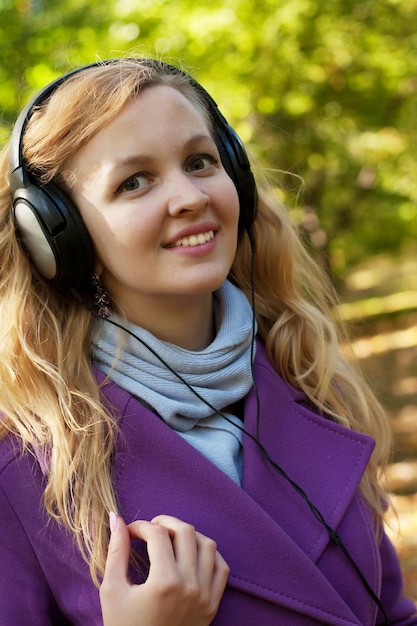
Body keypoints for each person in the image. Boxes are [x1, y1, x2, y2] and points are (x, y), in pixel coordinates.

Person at [0, 57, 415, 626]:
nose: (189, 196)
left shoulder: (307, 375)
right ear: (56, 236)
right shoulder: (24, 463)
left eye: (199, 161)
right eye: (134, 181)